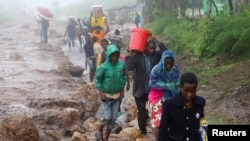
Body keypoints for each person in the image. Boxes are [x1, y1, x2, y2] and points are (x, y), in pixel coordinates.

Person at [125, 39, 167, 135]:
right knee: (141, 110)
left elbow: (165, 51)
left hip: (152, 90)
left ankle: (153, 128)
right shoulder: (137, 57)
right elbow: (128, 66)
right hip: (139, 89)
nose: (152, 50)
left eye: (153, 48)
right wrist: (132, 53)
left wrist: (157, 40)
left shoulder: (155, 56)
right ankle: (142, 131)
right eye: (150, 48)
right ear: (145, 47)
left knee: (153, 110)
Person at [158, 72, 206, 141]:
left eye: (193, 91)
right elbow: (163, 129)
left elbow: (201, 125)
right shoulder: (169, 104)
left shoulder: (200, 103)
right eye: (186, 91)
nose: (190, 94)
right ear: (180, 88)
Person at [94, 44, 127, 141]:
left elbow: (124, 77)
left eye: (116, 55)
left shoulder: (121, 65)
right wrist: (101, 93)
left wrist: (122, 91)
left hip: (117, 96)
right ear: (108, 56)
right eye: (112, 56)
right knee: (107, 117)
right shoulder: (104, 67)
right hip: (106, 96)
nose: (114, 58)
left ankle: (106, 138)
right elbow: (98, 80)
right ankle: (99, 131)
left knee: (113, 119)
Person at [148, 50, 180, 141]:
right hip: (157, 99)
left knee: (170, 122)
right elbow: (151, 84)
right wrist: (166, 86)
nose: (169, 66)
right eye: (167, 63)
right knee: (158, 123)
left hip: (171, 97)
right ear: (163, 61)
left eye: (171, 63)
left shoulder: (176, 70)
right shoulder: (156, 69)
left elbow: (177, 83)